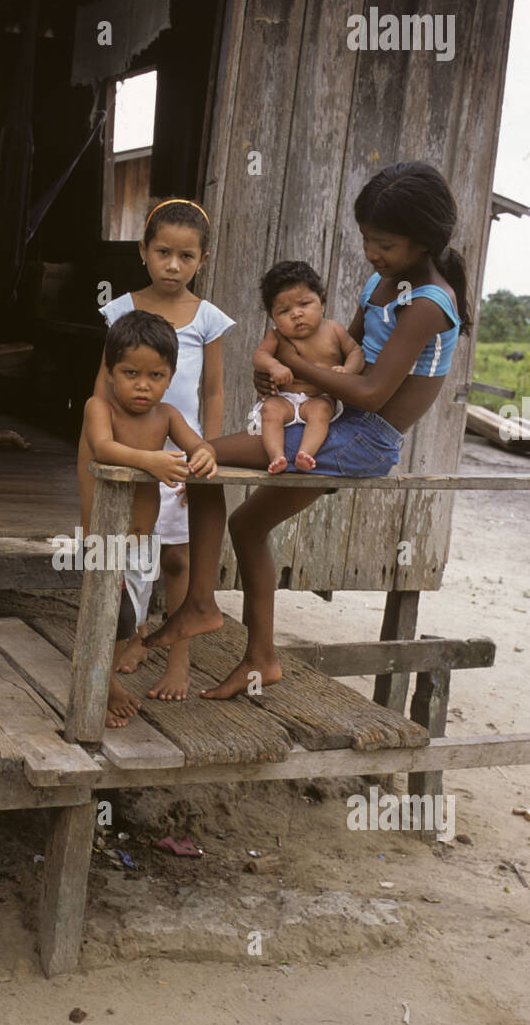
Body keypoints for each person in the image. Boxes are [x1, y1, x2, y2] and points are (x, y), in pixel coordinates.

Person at [144, 161, 468, 699]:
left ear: (423, 240)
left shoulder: (429, 305)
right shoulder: (385, 281)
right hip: (334, 417)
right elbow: (345, 356)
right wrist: (276, 369)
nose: (372, 253)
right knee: (245, 524)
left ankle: (200, 604)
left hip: (365, 438)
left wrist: (294, 366)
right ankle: (260, 659)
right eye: (367, 239)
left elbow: (370, 393)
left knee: (201, 455)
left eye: (384, 243)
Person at [94, 197, 235, 701]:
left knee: (178, 561)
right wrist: (92, 463)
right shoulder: (122, 310)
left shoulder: (207, 319)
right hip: (128, 455)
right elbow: (100, 390)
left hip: (179, 460)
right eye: (163, 253)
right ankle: (130, 641)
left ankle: (178, 660)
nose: (173, 266)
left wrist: (208, 453)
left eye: (187, 256)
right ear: (143, 251)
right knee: (127, 554)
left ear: (202, 258)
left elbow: (213, 392)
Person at [77, 309, 217, 727]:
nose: (142, 385)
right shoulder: (99, 408)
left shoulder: (167, 415)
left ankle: (100, 677)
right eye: (130, 372)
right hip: (105, 539)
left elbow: (196, 445)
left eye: (155, 376)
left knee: (131, 619)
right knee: (113, 617)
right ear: (110, 370)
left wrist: (204, 454)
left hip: (143, 542)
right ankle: (98, 687)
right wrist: (151, 463)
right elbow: (103, 448)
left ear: (171, 377)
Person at [252, 261, 364, 472]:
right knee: (270, 410)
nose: (296, 314)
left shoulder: (333, 330)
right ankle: (277, 456)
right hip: (285, 399)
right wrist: (274, 365)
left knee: (322, 410)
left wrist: (347, 371)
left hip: (316, 399)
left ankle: (306, 454)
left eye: (304, 304)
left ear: (321, 301)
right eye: (284, 310)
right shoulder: (275, 335)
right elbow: (259, 355)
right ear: (272, 316)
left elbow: (356, 352)